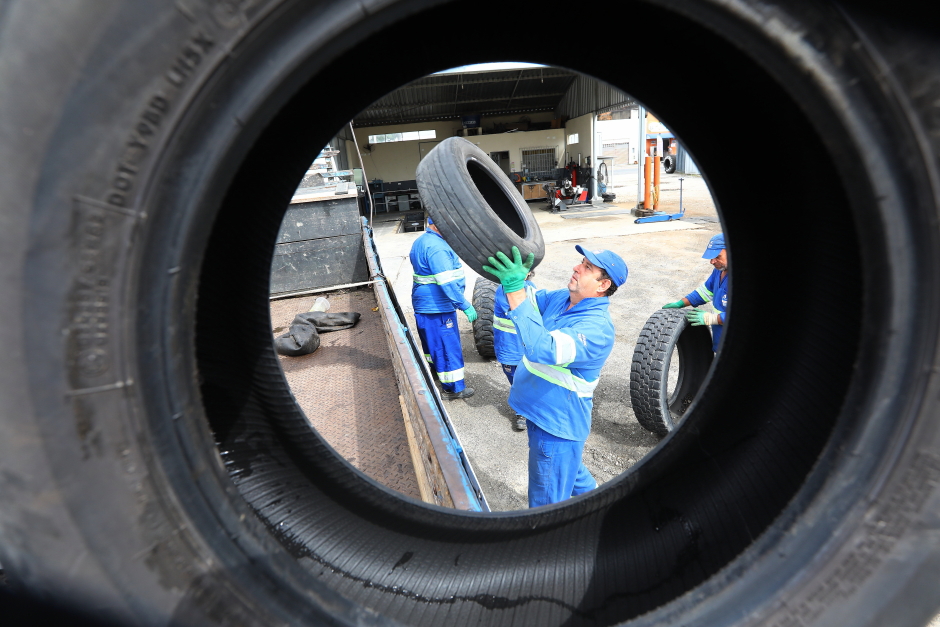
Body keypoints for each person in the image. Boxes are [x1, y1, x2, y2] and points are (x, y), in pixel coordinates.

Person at [484, 244, 628, 508]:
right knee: (568, 471)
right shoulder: (563, 299)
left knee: (546, 503)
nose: (576, 267)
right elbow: (526, 301)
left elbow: (542, 349)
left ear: (602, 285)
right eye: (580, 262)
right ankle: (605, 507)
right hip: (540, 413)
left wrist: (515, 288)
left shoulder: (596, 330)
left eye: (587, 268)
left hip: (557, 426)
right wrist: (516, 280)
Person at [410, 216, 477, 400]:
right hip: (438, 308)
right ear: (438, 225)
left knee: (432, 346)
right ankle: (454, 389)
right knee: (447, 347)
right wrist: (464, 304)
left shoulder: (421, 241)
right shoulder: (437, 248)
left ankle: (436, 374)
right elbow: (446, 282)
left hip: (424, 306)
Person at [662, 232, 728, 353]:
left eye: (717, 257)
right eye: (711, 257)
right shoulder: (719, 271)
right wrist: (681, 303)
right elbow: (705, 291)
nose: (712, 262)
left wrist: (710, 318)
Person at [492, 270, 536, 432]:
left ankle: (527, 407)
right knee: (515, 381)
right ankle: (521, 412)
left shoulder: (530, 287)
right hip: (509, 348)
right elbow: (517, 309)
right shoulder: (504, 290)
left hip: (526, 347)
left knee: (529, 379)